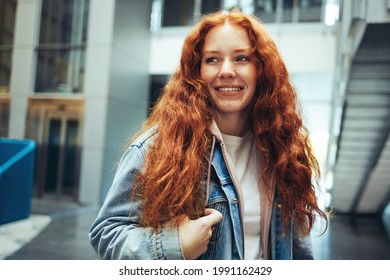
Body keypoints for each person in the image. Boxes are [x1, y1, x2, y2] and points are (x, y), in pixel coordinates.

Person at [89, 10, 328, 260]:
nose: (226, 71)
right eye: (212, 59)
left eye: (242, 58)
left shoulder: (283, 149)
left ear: (261, 70)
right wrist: (174, 246)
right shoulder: (155, 148)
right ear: (196, 72)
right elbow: (107, 233)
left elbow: (298, 250)